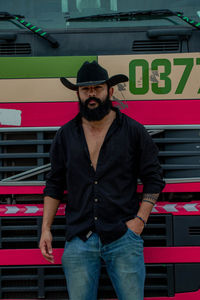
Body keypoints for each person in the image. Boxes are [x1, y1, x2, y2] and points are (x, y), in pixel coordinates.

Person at [39, 61, 165, 300]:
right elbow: (54, 184)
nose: (92, 94)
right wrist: (45, 229)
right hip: (78, 240)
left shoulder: (133, 131)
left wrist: (140, 221)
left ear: (110, 91)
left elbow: (154, 178)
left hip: (123, 237)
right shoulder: (65, 135)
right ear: (78, 93)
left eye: (97, 88)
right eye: (86, 90)